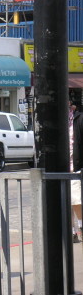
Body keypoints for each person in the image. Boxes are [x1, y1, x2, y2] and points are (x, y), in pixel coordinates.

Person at [70, 100, 83, 243]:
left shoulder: (79, 120)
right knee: (65, 201)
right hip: (61, 166)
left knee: (76, 199)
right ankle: (73, 231)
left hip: (75, 167)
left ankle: (80, 226)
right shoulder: (59, 122)